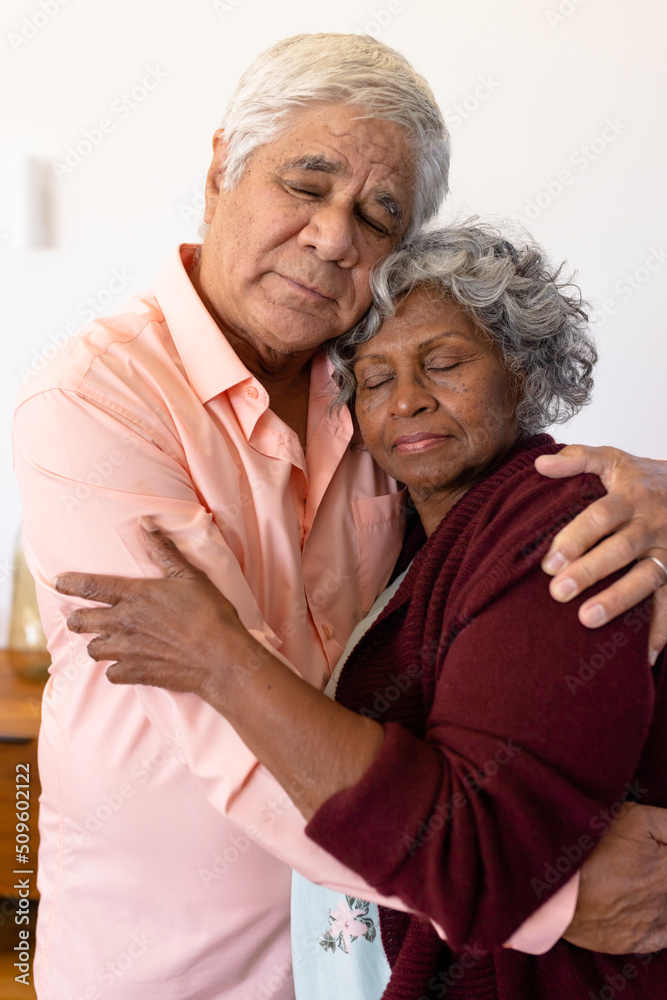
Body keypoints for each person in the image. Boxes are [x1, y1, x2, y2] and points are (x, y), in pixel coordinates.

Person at [13, 32, 667, 1000]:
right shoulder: (94, 402)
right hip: (172, 960)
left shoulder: (373, 393)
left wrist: (649, 487)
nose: (331, 237)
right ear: (221, 170)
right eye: (306, 183)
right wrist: (534, 894)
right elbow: (220, 716)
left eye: (377, 213)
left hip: (375, 950)